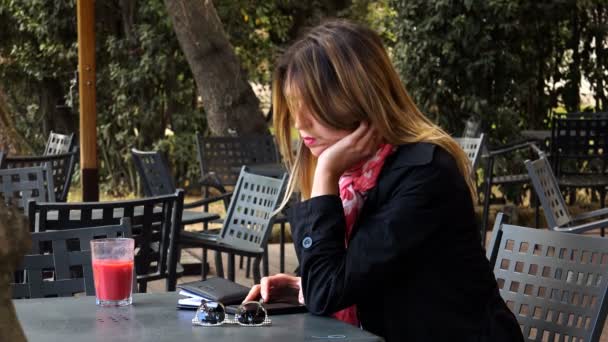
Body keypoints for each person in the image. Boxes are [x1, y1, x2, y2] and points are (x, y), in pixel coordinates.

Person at [243, 19, 524, 342]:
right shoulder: (359, 179)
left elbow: (328, 289)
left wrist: (325, 174)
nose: (300, 123)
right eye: (296, 108)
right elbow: (343, 281)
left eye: (316, 107)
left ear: (360, 98)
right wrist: (304, 286)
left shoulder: (424, 175)